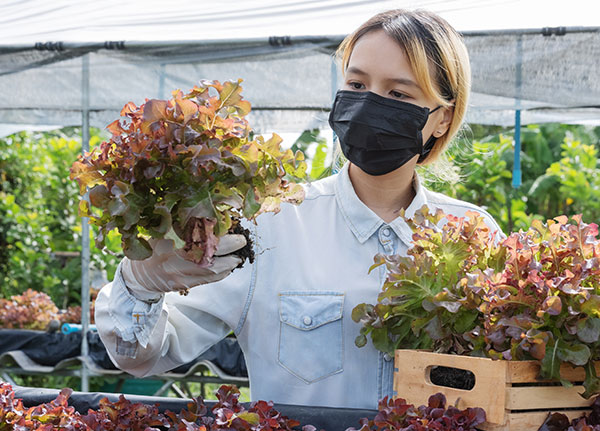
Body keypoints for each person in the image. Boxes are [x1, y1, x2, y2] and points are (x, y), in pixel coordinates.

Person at [95, 8, 502, 409]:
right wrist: (141, 283)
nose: (368, 106)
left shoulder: (472, 235)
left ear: (442, 119)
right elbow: (141, 356)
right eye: (357, 85)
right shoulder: (271, 225)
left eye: (398, 94)